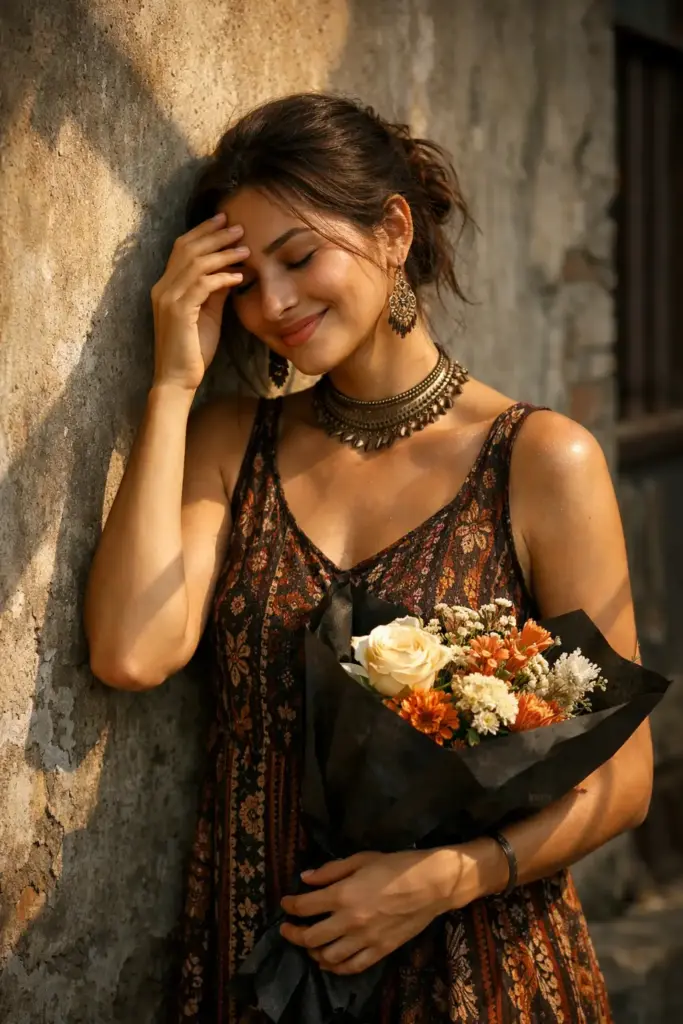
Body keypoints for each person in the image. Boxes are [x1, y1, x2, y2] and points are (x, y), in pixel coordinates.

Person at [85, 93, 652, 1023]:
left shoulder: (541, 461)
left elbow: (622, 782)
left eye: (299, 256)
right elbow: (131, 652)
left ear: (391, 230)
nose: (272, 304)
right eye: (244, 279)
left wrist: (444, 878)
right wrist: (173, 381)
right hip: (256, 963)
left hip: (476, 967)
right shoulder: (232, 442)